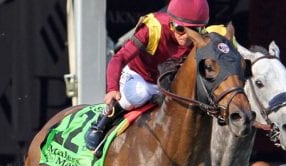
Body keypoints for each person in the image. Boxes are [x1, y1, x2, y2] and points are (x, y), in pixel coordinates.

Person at [84, 0, 210, 152]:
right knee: (140, 93)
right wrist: (112, 88)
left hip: (166, 85)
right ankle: (101, 124)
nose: (186, 37)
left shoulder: (202, 40)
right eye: (180, 29)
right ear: (171, 23)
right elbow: (119, 58)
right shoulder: (153, 29)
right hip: (138, 76)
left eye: (194, 31)